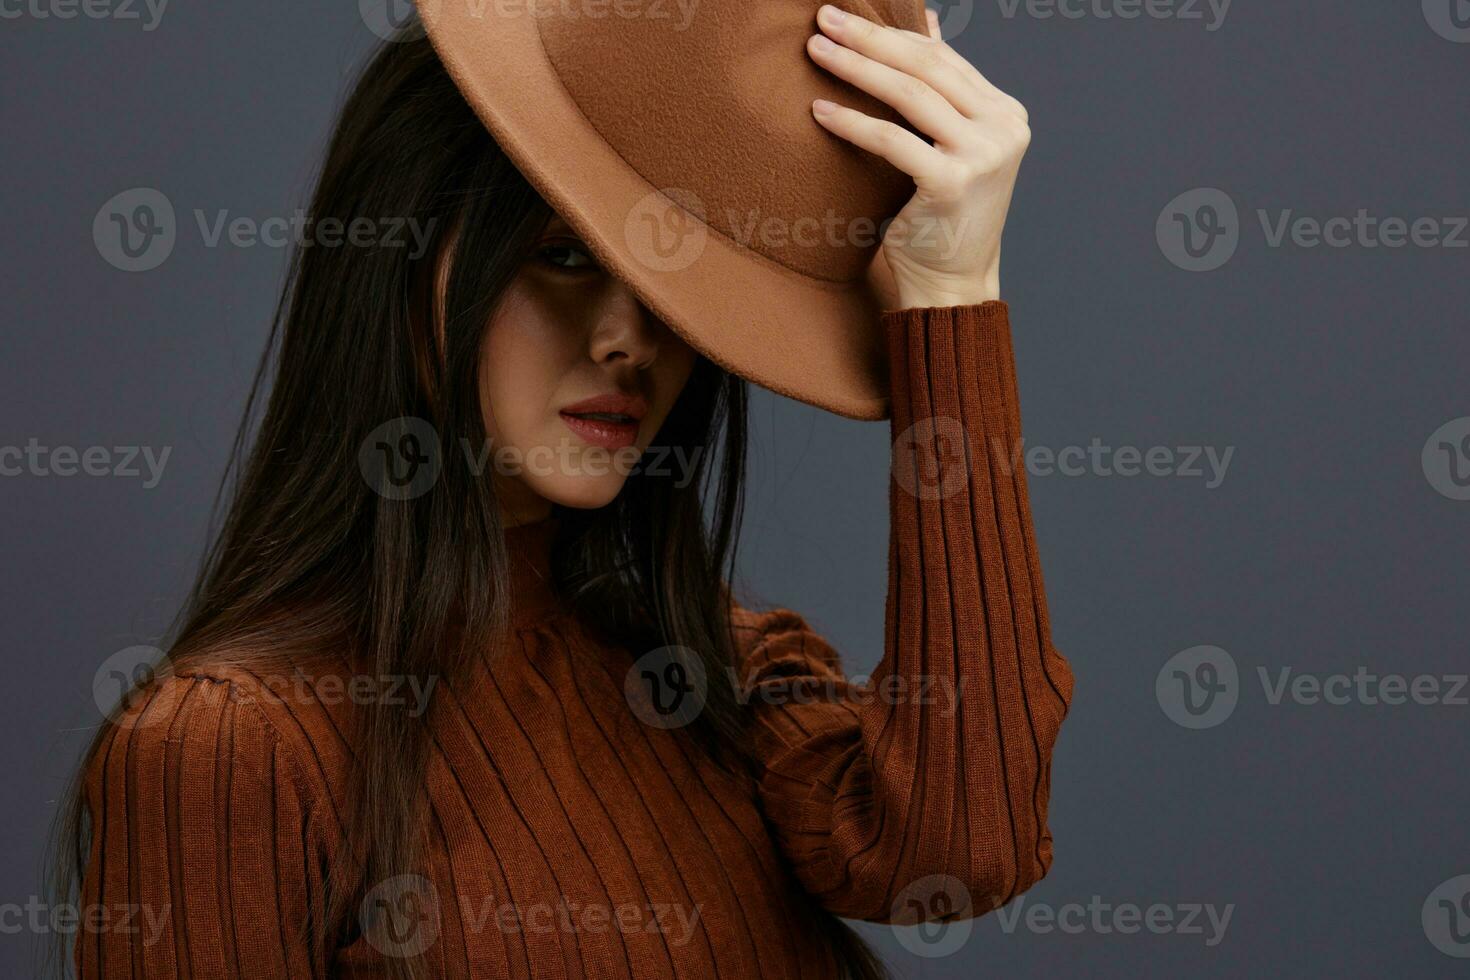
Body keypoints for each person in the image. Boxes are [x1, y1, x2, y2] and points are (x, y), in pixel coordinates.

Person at [51, 5, 1072, 977]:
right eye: (564, 256)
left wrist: (949, 297)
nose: (629, 340)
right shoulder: (229, 753)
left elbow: (961, 850)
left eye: (678, 289)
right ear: (401, 268)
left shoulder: (728, 674)